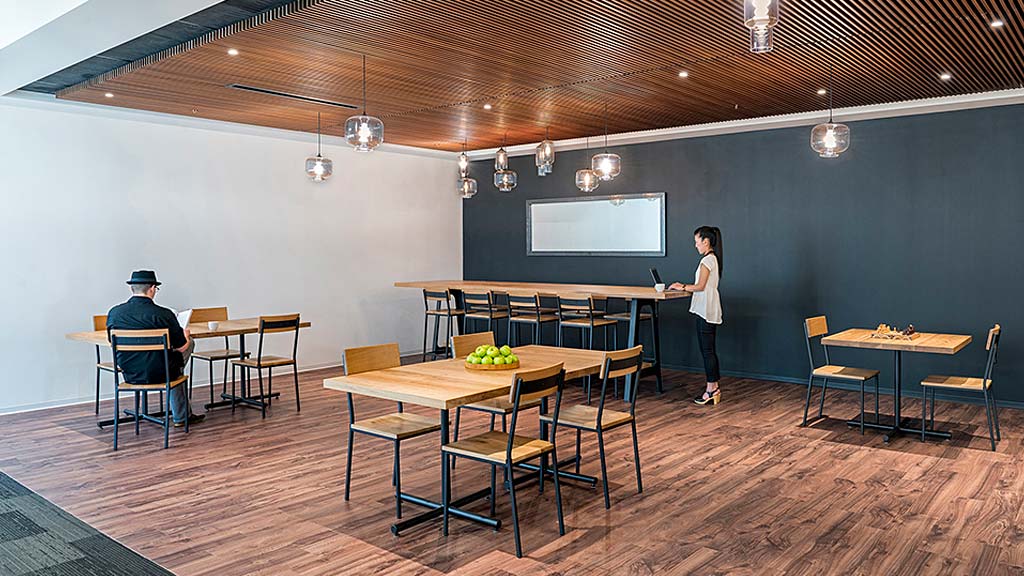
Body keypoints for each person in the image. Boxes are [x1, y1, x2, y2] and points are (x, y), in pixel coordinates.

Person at [106, 270, 204, 427]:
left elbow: (112, 342)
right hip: (161, 373)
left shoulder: (115, 313)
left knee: (171, 361)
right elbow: (182, 347)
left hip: (129, 373)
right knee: (186, 347)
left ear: (132, 288)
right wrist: (186, 335)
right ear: (152, 289)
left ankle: (181, 412)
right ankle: (181, 415)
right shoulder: (163, 314)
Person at [670, 226, 723, 405]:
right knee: (709, 350)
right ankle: (713, 387)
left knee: (707, 351)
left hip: (705, 309)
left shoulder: (707, 260)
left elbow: (700, 286)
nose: (695, 245)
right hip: (709, 308)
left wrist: (682, 286)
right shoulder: (713, 259)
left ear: (705, 241)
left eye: (697, 241)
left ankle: (711, 389)